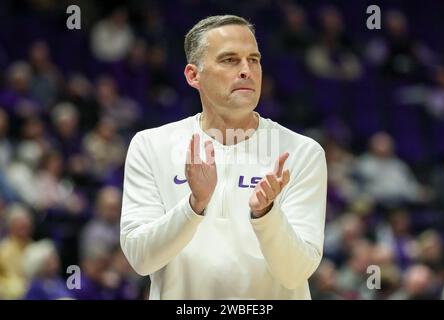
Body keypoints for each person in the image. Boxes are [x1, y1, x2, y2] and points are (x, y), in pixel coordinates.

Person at [120, 15, 327, 299]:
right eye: (230, 60)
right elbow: (141, 259)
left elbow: (295, 272)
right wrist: (194, 206)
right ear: (194, 75)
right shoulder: (151, 145)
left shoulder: (302, 152)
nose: (246, 70)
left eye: (253, 60)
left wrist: (266, 215)